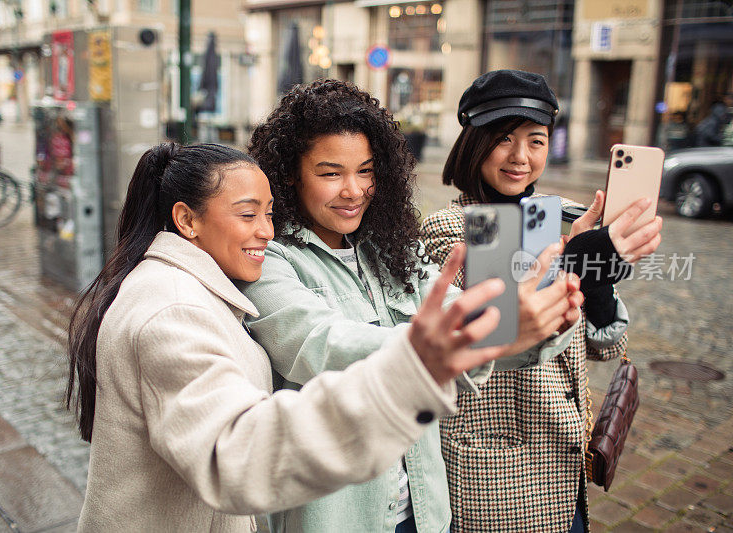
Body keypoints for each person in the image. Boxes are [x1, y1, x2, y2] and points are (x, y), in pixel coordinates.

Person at [65, 142, 513, 532]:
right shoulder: (176, 308)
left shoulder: (200, 286)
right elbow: (238, 455)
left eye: (268, 213)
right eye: (247, 214)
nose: (265, 230)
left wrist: (527, 312)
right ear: (187, 219)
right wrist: (416, 367)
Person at [240, 79, 584, 533]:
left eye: (365, 171)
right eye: (330, 173)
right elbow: (317, 343)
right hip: (340, 514)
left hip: (422, 510)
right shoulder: (271, 260)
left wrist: (545, 315)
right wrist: (448, 343)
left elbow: (473, 322)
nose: (353, 190)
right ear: (288, 173)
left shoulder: (389, 251)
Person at [419, 69, 663, 532]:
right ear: (473, 142)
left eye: (536, 140)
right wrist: (579, 257)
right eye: (503, 139)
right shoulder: (449, 228)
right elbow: (504, 327)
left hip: (564, 461)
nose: (520, 157)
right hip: (496, 475)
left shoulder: (551, 220)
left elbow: (601, 347)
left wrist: (595, 277)